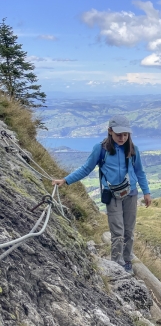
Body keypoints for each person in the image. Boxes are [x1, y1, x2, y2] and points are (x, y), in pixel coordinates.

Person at [53, 115, 151, 272]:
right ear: (110, 131)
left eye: (125, 134)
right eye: (119, 134)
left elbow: (140, 171)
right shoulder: (101, 149)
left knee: (129, 231)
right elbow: (86, 168)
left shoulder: (133, 149)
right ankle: (117, 263)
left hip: (131, 194)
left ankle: (127, 260)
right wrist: (66, 180)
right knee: (117, 231)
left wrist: (146, 192)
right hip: (112, 195)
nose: (122, 138)